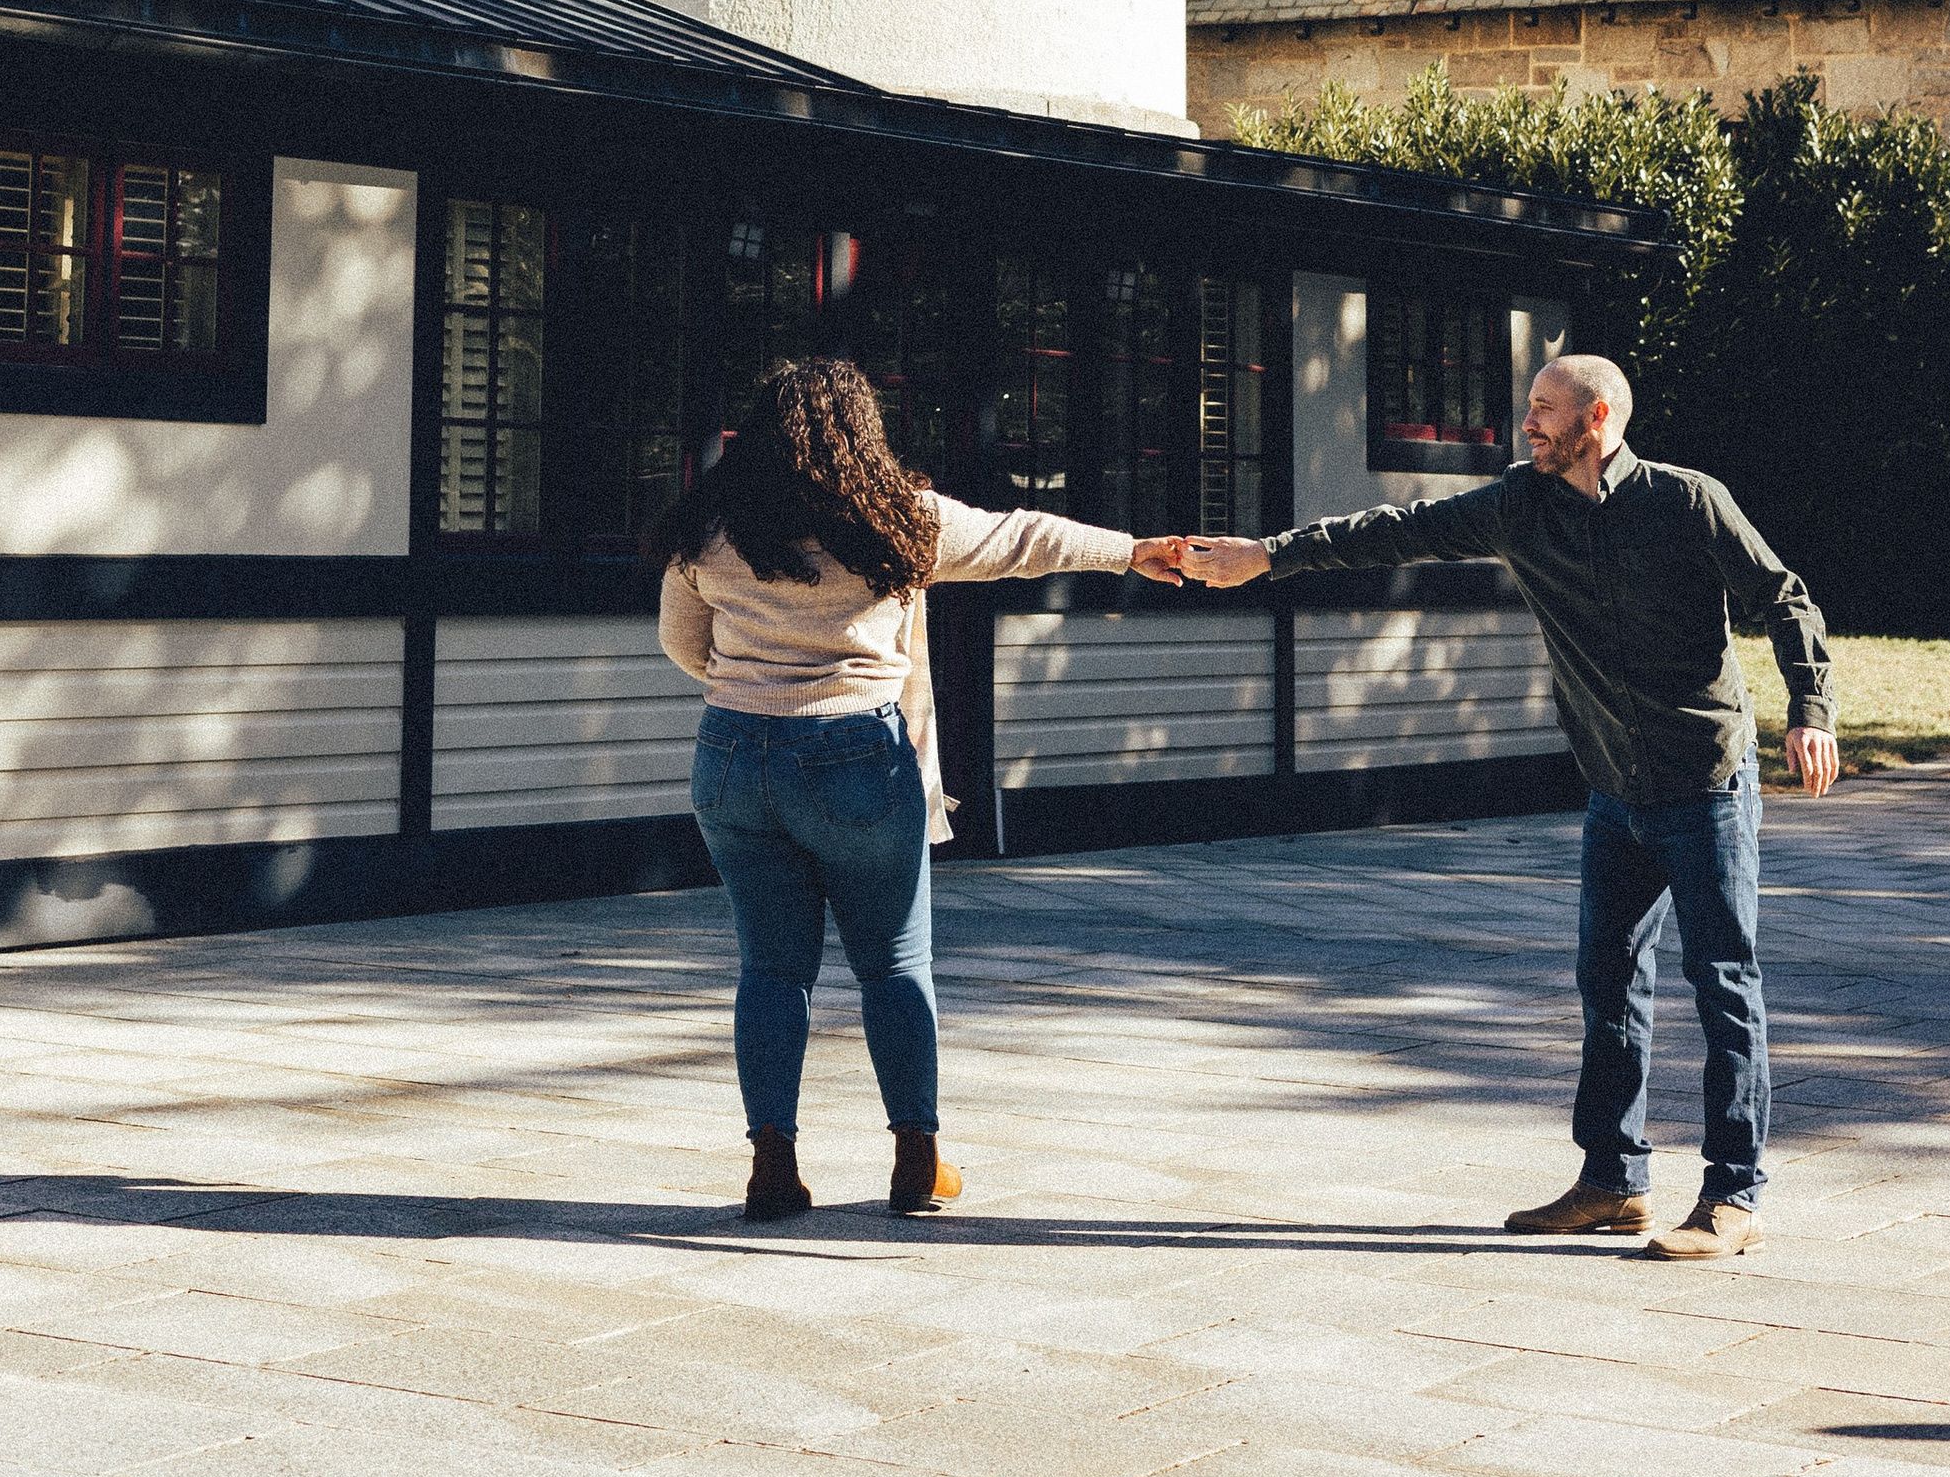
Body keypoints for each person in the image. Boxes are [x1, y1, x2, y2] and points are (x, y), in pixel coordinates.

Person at [1186, 349, 1837, 1257]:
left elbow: (1783, 596)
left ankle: (1735, 1197)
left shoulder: (1687, 502)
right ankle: (1613, 1180)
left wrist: (1812, 711)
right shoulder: (1518, 505)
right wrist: (1268, 556)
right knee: (1606, 983)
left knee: (1723, 982)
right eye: (1529, 406)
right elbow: (1396, 529)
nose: (1525, 422)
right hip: (1613, 786)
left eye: (1543, 408)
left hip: (1703, 781)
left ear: (1598, 419)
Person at [656, 352, 1186, 1221]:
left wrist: (759, 678)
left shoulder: (709, 525)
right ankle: (917, 1160)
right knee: (894, 966)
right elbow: (1023, 538)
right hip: (857, 755)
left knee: (770, 970)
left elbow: (685, 645)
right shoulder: (896, 519)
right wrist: (1131, 551)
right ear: (861, 431)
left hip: (732, 758)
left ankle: (772, 1167)